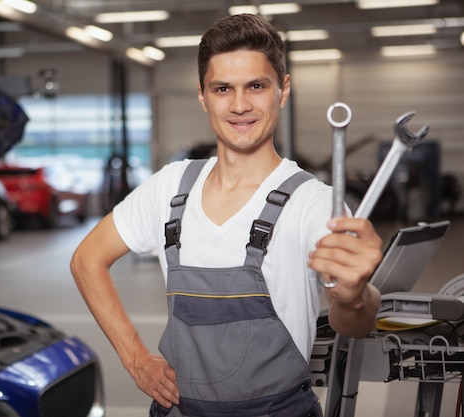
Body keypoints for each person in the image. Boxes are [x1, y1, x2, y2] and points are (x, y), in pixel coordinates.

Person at [70, 13, 383, 417]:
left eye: (256, 85)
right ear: (203, 95)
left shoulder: (314, 203)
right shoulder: (170, 187)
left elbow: (352, 324)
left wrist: (356, 298)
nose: (239, 105)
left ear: (282, 90)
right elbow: (86, 259)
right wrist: (135, 359)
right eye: (222, 89)